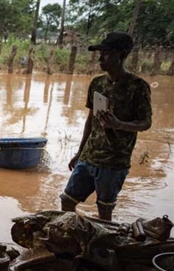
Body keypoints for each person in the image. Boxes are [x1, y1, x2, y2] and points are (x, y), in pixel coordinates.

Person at [60, 32, 152, 220]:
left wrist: (119, 124)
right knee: (67, 201)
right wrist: (79, 153)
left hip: (114, 161)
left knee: (105, 210)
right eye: (100, 53)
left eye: (107, 53)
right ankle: (70, 241)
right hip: (89, 156)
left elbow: (145, 123)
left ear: (122, 55)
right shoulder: (97, 84)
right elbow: (90, 121)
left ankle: (100, 246)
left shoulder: (138, 87)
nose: (100, 58)